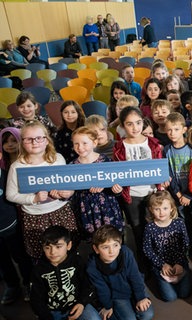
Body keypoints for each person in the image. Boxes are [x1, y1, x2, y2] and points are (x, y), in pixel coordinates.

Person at [6, 121, 78, 260]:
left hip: (61, 212)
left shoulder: (58, 159)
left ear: (47, 140)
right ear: (22, 142)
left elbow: (69, 184)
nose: (35, 142)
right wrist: (33, 199)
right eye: (29, 139)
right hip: (34, 217)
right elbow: (10, 194)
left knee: (68, 250)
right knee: (41, 253)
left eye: (39, 138)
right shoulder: (17, 166)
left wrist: (69, 192)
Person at [113, 106, 163, 252]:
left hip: (152, 193)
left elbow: (159, 167)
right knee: (138, 230)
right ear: (122, 126)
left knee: (156, 229)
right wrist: (118, 186)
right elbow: (117, 172)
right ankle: (143, 267)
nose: (135, 128)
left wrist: (164, 179)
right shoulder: (119, 147)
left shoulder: (153, 143)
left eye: (138, 122)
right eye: (130, 124)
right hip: (132, 195)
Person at [30, 226, 99, 320]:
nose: (53, 252)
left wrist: (82, 303)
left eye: (58, 246)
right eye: (47, 247)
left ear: (69, 245)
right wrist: (46, 316)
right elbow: (36, 298)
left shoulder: (77, 261)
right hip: (53, 311)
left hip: (77, 304)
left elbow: (88, 285)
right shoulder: (38, 270)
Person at [87, 225, 154, 320]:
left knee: (147, 315)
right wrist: (108, 306)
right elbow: (102, 289)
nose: (112, 251)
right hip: (117, 295)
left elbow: (135, 276)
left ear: (120, 244)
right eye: (105, 247)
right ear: (96, 249)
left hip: (133, 287)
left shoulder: (126, 253)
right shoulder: (92, 266)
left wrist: (141, 297)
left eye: (115, 245)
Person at [70, 127, 124, 237]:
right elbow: (71, 193)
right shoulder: (72, 166)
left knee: (113, 237)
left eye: (84, 143)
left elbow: (116, 185)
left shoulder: (106, 161)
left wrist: (116, 189)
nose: (80, 147)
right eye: (76, 144)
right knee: (93, 239)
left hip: (107, 207)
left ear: (94, 143)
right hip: (86, 208)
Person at [0, 128, 33, 306]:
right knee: (3, 258)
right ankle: (12, 284)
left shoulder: (10, 171)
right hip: (10, 214)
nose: (10, 145)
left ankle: (28, 282)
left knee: (20, 253)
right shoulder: (4, 165)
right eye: (5, 142)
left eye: (13, 140)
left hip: (16, 215)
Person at [143, 191, 191, 302]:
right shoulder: (149, 228)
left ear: (171, 208)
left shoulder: (179, 223)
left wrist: (179, 262)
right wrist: (162, 265)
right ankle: (159, 278)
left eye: (165, 208)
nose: (161, 212)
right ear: (151, 210)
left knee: (184, 293)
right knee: (170, 297)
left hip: (179, 262)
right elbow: (147, 249)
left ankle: (180, 277)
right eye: (157, 209)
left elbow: (186, 244)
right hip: (161, 265)